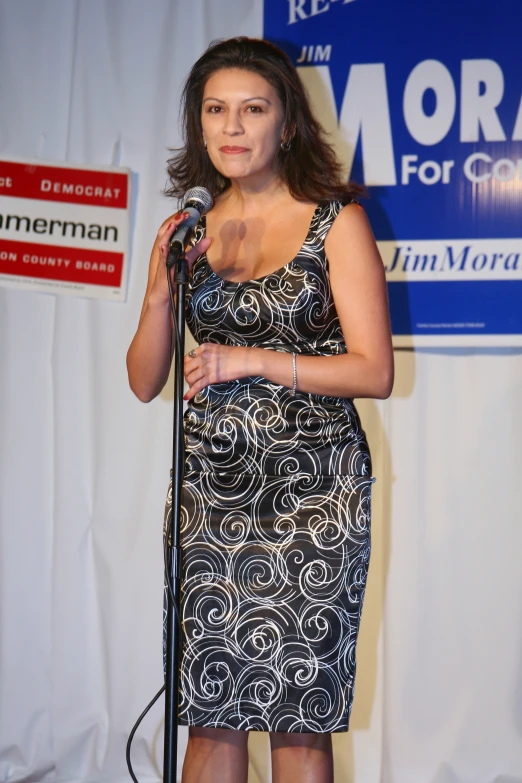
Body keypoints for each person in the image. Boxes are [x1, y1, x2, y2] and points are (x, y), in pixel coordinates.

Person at [127, 36, 393, 783]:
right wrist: (158, 288)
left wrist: (252, 359)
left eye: (253, 109)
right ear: (200, 125)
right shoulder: (192, 234)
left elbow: (374, 370)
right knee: (211, 714)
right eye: (216, 110)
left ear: (288, 125)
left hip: (315, 498)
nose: (233, 127)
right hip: (211, 497)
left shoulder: (334, 222)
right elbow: (145, 380)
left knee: (297, 720)